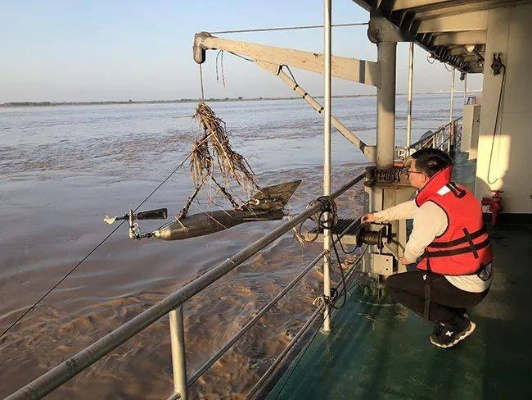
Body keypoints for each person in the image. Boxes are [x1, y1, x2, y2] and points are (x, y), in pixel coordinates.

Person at [361, 148, 492, 349]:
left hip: (467, 287)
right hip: (481, 274)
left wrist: (406, 259)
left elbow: (414, 249)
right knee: (420, 271)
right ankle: (454, 311)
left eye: (410, 172)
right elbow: (415, 206)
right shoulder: (455, 190)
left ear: (422, 177)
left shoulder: (431, 209)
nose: (407, 175)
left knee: (395, 285)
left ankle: (456, 323)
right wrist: (378, 216)